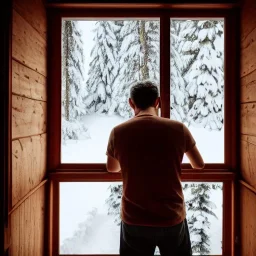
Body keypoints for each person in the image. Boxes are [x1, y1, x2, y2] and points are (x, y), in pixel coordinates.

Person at [106, 81, 204, 256]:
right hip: (171, 216)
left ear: (131, 103)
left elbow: (112, 168)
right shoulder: (178, 129)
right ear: (158, 102)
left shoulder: (118, 132)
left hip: (134, 218)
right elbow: (199, 164)